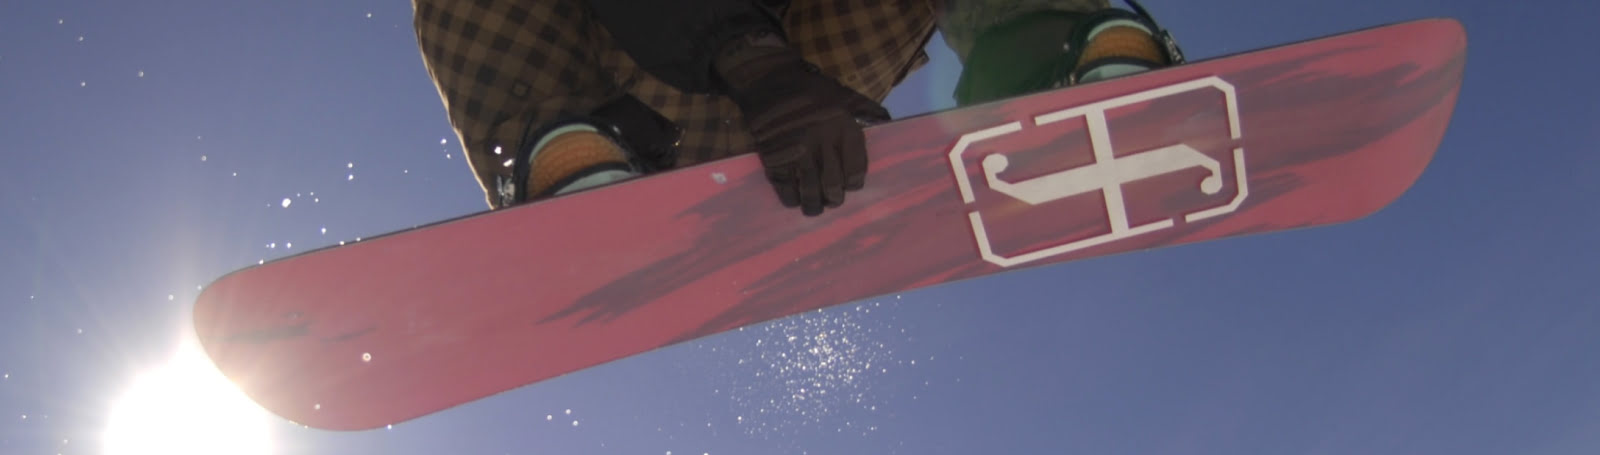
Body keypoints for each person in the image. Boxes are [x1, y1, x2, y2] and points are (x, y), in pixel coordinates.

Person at [411, 0, 1182, 215]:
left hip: (814, 58)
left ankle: (1055, 50)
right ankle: (570, 164)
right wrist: (755, 63)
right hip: (635, 100)